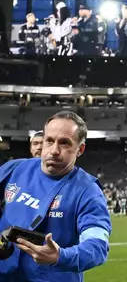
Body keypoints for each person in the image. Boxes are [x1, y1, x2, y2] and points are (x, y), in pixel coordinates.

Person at [0, 111, 111, 282]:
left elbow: (97, 246)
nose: (54, 150)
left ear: (80, 149)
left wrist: (60, 256)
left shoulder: (88, 191)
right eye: (49, 141)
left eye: (65, 143)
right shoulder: (15, 169)